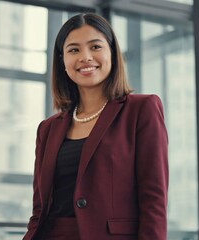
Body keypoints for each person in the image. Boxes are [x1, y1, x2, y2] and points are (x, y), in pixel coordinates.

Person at [23, 12, 168, 240]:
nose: (85, 57)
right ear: (62, 61)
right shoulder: (48, 129)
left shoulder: (142, 109)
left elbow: (154, 200)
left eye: (95, 47)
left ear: (112, 52)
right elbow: (40, 209)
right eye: (74, 50)